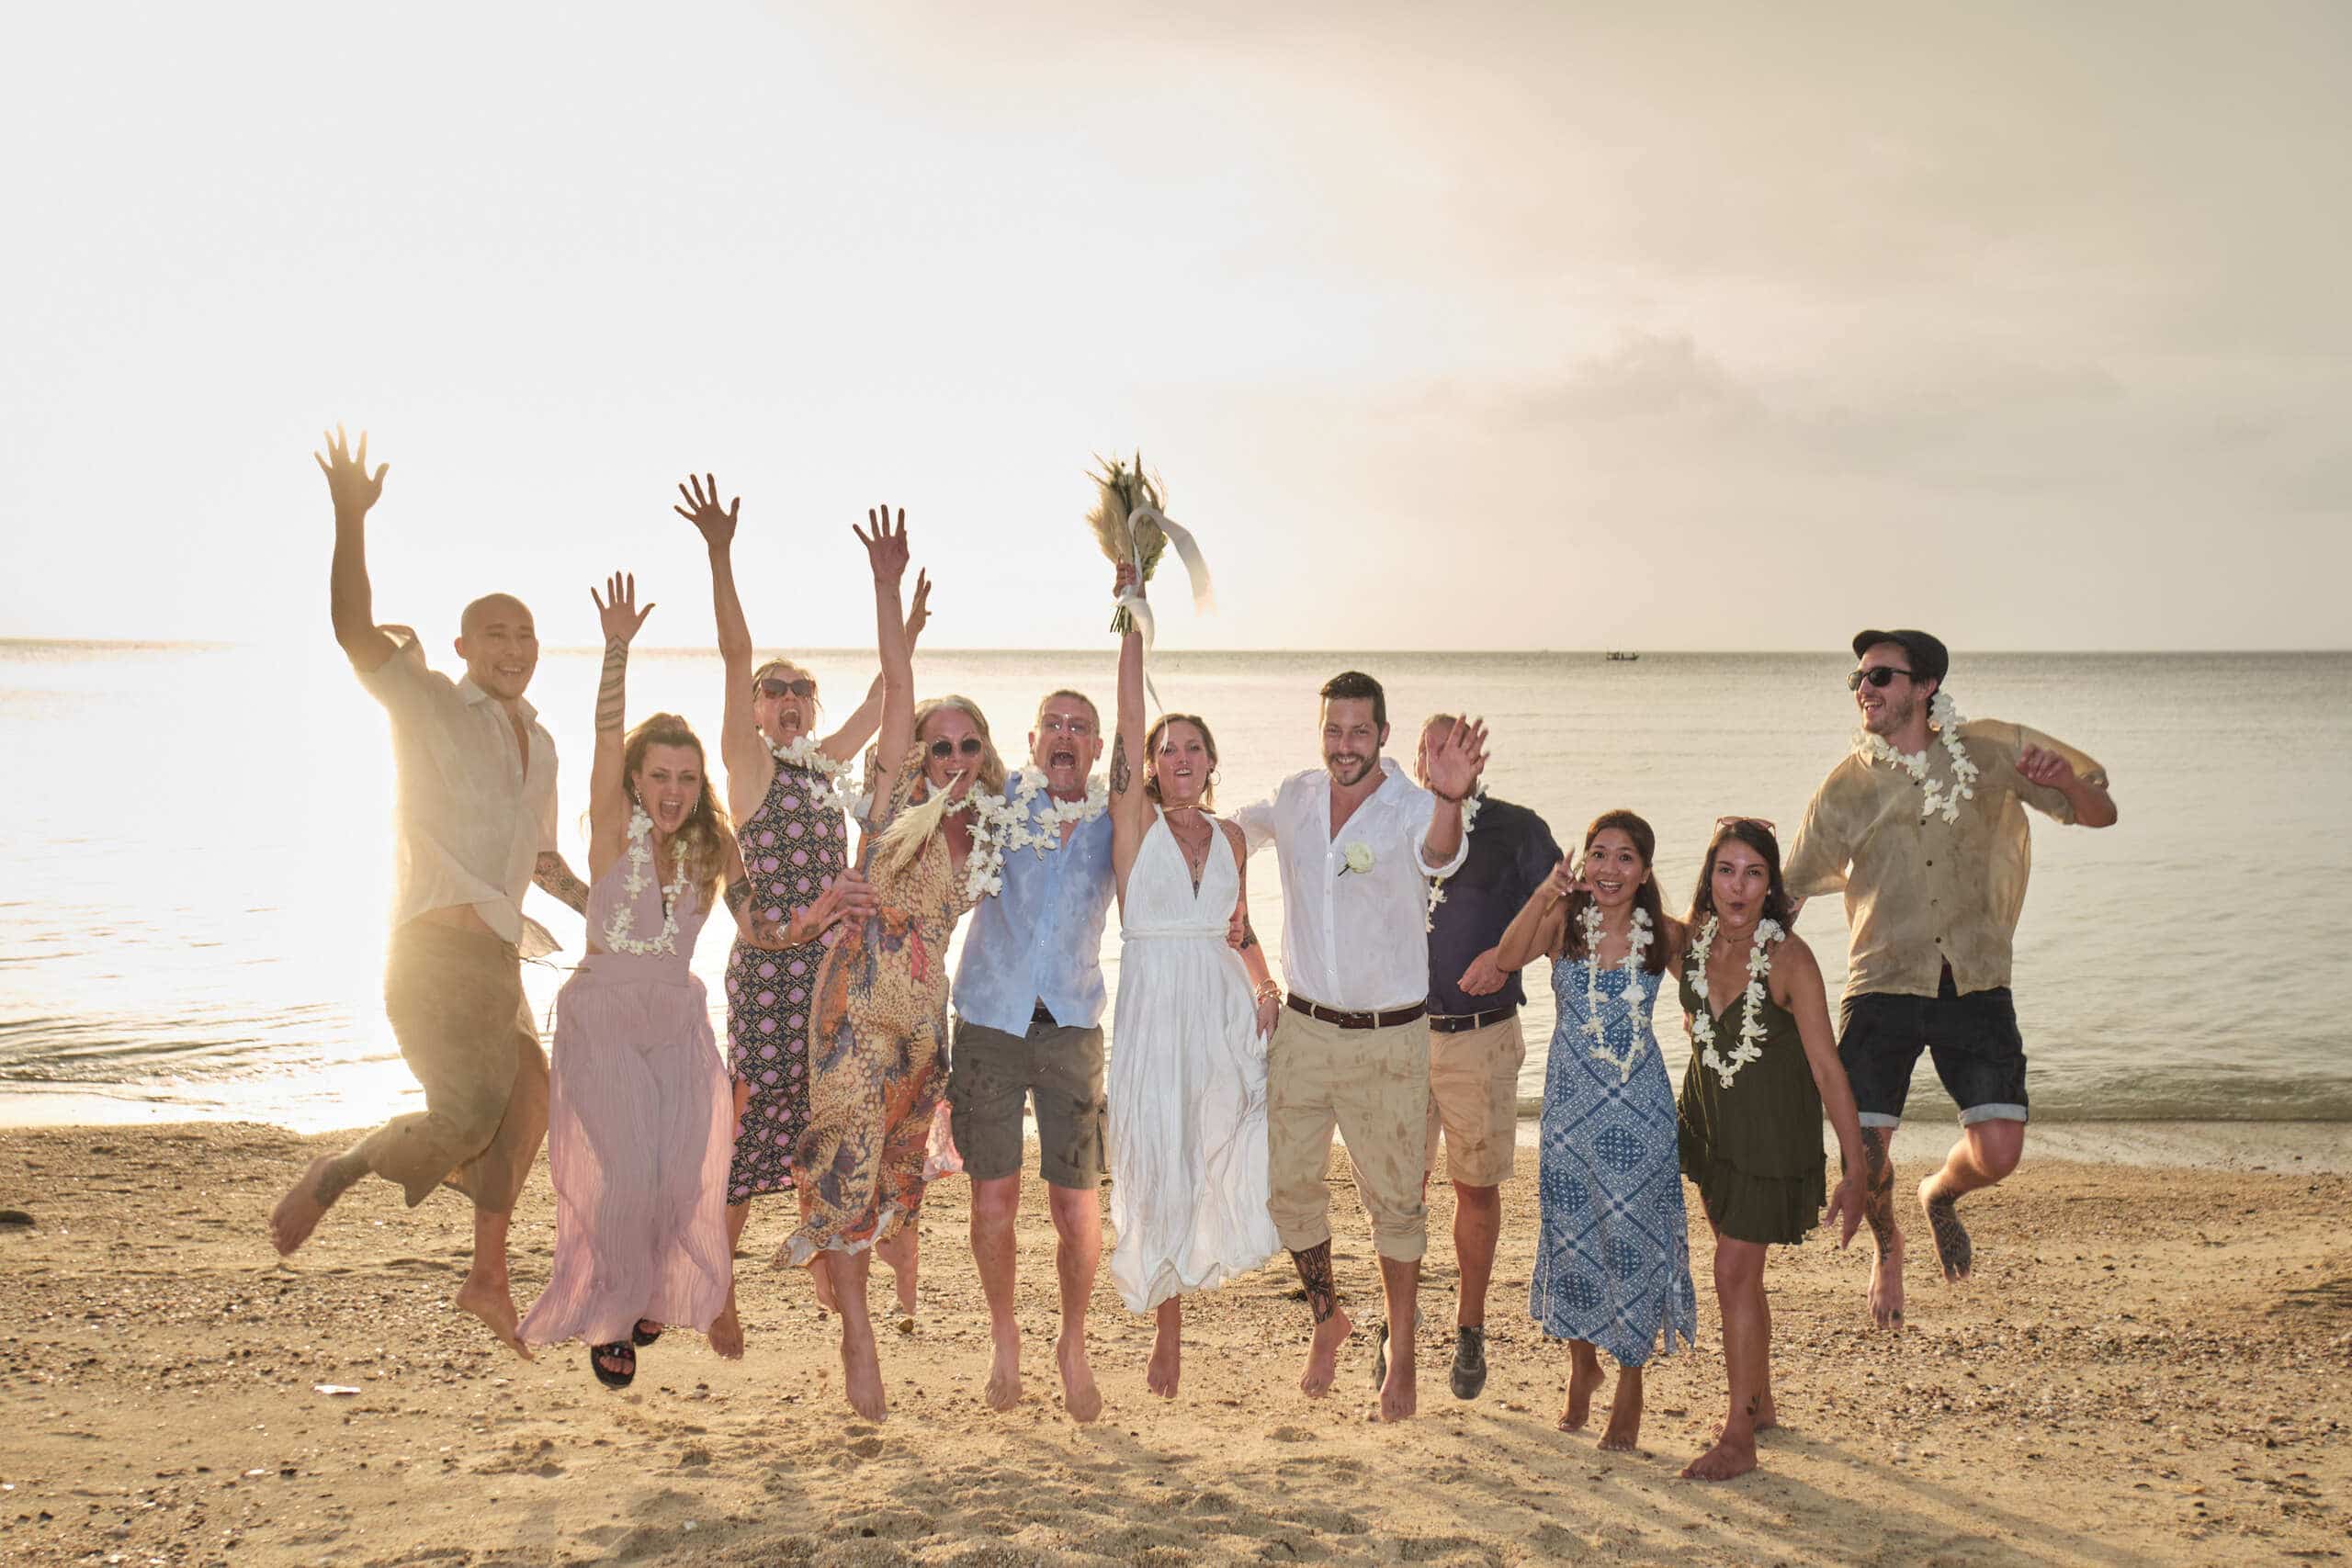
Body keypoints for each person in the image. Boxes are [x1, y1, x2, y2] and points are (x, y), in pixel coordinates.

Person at [269, 428, 593, 1359]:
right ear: (462, 645)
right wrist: (348, 519)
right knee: (463, 1117)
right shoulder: (429, 705)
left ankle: (488, 1278)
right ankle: (340, 1168)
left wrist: (605, 911)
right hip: (430, 956)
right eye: (497, 632)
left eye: (527, 633)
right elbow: (349, 630)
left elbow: (541, 861)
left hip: (495, 964)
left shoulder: (542, 742)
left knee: (533, 1093)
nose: (516, 646)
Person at [1783, 630, 2118, 1328]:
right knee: (1863, 1150)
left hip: (1975, 975)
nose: (1864, 689)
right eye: (1858, 678)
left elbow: (2101, 811)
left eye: (1880, 675)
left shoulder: (1991, 751)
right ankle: (1889, 1244)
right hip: (1882, 979)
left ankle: (1939, 1189)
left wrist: (2059, 785)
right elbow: (1789, 892)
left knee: (2000, 1150)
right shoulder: (1845, 785)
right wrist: (1733, 967)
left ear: (1925, 684)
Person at [673, 474, 922, 1333]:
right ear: (752, 711)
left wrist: (906, 624)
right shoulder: (750, 769)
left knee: (829, 1122)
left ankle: (824, 1259)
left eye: (799, 691)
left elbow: (885, 701)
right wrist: (719, 553)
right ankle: (717, 1284)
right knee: (754, 1131)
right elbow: (734, 652)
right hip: (773, 970)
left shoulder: (822, 767)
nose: (786, 698)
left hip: (834, 973)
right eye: (773, 691)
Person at [517, 573, 758, 1384]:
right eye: (660, 775)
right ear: (635, 779)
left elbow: (762, 929)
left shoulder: (713, 852)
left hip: (680, 1022)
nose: (674, 790)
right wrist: (616, 648)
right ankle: (612, 1313)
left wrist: (823, 914)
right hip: (605, 1017)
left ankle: (654, 1287)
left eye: (687, 779)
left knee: (683, 1170)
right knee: (623, 1173)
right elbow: (604, 730)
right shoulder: (612, 831)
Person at [1231, 672, 1487, 1423]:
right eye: (1334, 731)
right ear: (1322, 733)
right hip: (1304, 1029)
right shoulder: (1296, 795)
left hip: (1389, 1037)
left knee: (1397, 1205)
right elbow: (1228, 831)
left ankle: (1401, 1351)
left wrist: (1450, 796)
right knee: (1289, 1192)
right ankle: (1327, 1318)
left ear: (1381, 733)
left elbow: (1441, 854)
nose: (1346, 746)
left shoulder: (1414, 805)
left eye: (1359, 732)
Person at [780, 505, 987, 1422]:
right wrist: (885, 587)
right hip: (855, 1005)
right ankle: (859, 1345)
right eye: (936, 744)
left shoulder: (994, 829)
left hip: (920, 1029)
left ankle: (844, 1263)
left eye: (963, 745)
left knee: (882, 1175)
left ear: (983, 755)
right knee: (841, 1160)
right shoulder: (892, 797)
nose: (946, 756)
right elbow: (895, 694)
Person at [1102, 562, 1283, 1400]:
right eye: (1165, 748)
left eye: (1192, 747)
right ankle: (1168, 1331)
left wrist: (1267, 986)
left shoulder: (1233, 836)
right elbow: (1129, 712)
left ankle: (1218, 1262)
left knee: (1225, 1136)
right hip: (1153, 1000)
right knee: (1157, 1152)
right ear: (1148, 763)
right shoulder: (1131, 822)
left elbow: (1240, 930)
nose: (1178, 755)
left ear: (1212, 761)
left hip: (1216, 1000)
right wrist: (1133, 610)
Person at [944, 661, 1117, 1420]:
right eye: (1054, 723)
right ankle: (1004, 1332)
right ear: (1031, 740)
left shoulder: (1118, 820)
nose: (1066, 737)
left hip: (1073, 1027)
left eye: (1080, 726)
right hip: (988, 1020)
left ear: (1100, 747)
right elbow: (935, 758)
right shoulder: (1002, 799)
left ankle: (1072, 1340)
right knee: (993, 1201)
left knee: (1077, 1209)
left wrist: (1129, 602)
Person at [1674, 818, 1869, 1481]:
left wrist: (1857, 1165)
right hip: (1711, 1123)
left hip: (1770, 1135)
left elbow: (1826, 1066)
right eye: (1726, 870)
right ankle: (1759, 1403)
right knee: (1742, 1271)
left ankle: (1738, 1437)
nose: (1738, 885)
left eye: (1753, 872)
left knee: (1731, 1270)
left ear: (1770, 885)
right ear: (1709, 878)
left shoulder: (1791, 960)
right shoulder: (1693, 941)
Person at [1493, 810, 1694, 1451]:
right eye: (1599, 855)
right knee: (1575, 1237)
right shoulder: (1562, 922)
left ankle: (1631, 1384)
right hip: (1571, 1110)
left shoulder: (1663, 933)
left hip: (1641, 1109)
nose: (1610, 869)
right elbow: (1505, 957)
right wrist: (1544, 892)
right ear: (1582, 863)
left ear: (1645, 869)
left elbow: (1724, 987)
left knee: (1635, 1243)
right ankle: (1583, 1364)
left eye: (1625, 857)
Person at [1413, 713, 1562, 1402]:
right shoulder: (1393, 825)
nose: (1439, 758)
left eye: (1452, 747)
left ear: (1476, 756)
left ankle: (1469, 1326)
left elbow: (1559, 912)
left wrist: (1507, 958)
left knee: (1476, 1186)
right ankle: (1398, 1322)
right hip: (1398, 1038)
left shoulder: (1518, 827)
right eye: (1428, 748)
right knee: (1397, 1190)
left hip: (1481, 1036)